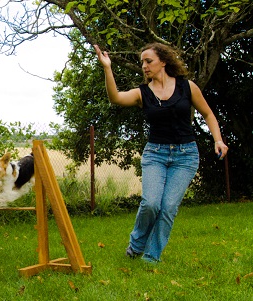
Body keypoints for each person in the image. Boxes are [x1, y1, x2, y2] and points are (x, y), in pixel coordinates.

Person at [94, 43, 228, 263]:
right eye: (142, 63)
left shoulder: (187, 87)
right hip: (155, 154)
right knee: (151, 203)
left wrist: (218, 140)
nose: (144, 66)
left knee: (167, 208)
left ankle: (151, 257)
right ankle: (136, 245)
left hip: (185, 156)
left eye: (149, 61)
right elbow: (115, 98)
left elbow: (208, 114)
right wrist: (107, 68)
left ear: (163, 61)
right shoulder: (142, 93)